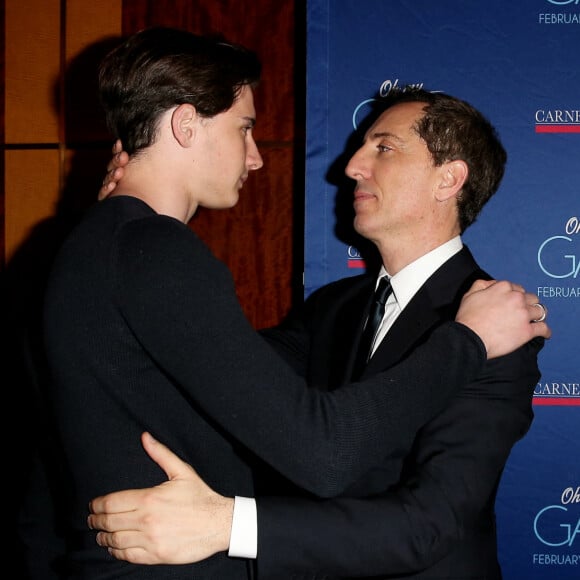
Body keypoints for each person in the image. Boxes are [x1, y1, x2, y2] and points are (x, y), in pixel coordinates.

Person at [87, 87, 550, 580]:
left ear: (449, 179)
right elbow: (215, 370)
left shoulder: (500, 326)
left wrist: (226, 525)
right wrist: (131, 224)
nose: (351, 167)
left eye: (383, 148)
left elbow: (428, 525)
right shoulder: (336, 305)